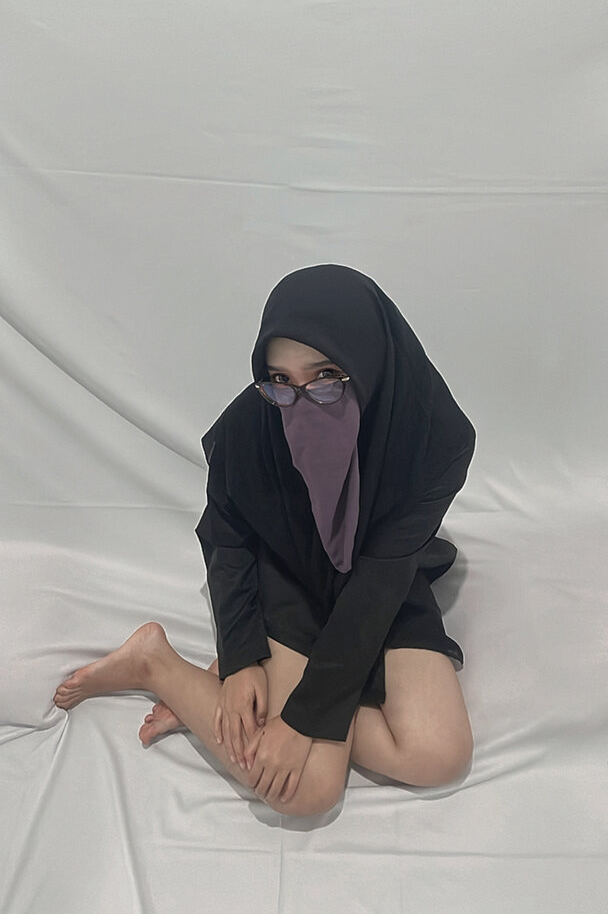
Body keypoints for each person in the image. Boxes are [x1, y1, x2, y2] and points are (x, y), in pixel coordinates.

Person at [53, 264, 476, 819]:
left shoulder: (435, 437)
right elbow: (226, 540)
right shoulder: (252, 422)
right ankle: (155, 663)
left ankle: (206, 693)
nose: (302, 400)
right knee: (307, 791)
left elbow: (380, 584)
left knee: (439, 756)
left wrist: (303, 717)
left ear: (369, 360)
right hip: (289, 576)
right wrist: (241, 658)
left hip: (380, 580)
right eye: (280, 378)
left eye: (327, 375)